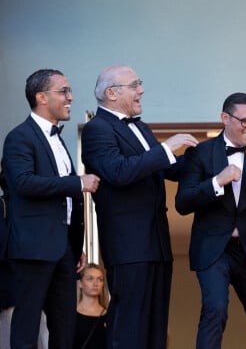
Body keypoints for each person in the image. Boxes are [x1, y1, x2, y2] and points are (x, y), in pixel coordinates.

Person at [81, 65, 198, 348]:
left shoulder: (140, 127)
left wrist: (213, 154)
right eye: (134, 85)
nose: (141, 90)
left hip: (156, 243)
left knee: (155, 329)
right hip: (129, 246)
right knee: (129, 327)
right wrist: (167, 148)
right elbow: (119, 172)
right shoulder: (97, 129)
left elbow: (166, 169)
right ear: (111, 93)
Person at [175, 92, 246, 349]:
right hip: (213, 249)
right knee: (216, 311)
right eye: (245, 121)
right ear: (225, 118)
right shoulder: (201, 153)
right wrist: (217, 181)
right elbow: (182, 203)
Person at [1, 69, 100, 348]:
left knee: (64, 327)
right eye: (64, 91)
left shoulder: (56, 139)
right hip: (32, 249)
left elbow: (62, 203)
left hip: (63, 251)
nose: (70, 97)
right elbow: (23, 183)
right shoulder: (19, 137)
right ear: (41, 97)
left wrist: (73, 244)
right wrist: (76, 182)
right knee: (27, 326)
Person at [74, 263, 107, 349]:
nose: (96, 283)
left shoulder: (110, 315)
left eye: (100, 279)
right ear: (80, 283)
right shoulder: (70, 315)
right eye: (90, 279)